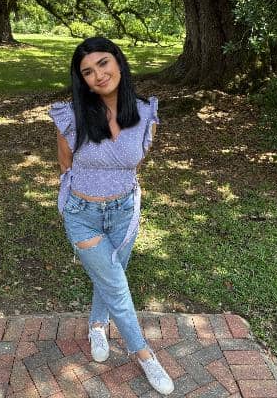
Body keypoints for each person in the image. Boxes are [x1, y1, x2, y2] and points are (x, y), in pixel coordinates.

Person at [49, 36, 174, 396]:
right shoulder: (72, 115)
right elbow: (65, 165)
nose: (98, 75)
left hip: (124, 212)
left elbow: (135, 160)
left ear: (118, 61)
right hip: (82, 214)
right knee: (116, 285)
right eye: (87, 72)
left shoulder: (146, 113)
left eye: (103, 63)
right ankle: (145, 354)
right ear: (83, 81)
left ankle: (96, 325)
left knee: (110, 275)